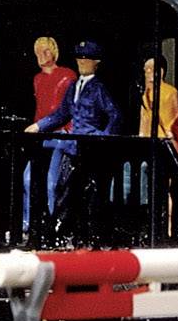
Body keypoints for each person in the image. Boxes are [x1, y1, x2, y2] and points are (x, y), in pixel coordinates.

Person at [24, 40, 121, 224]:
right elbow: (62, 113)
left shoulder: (98, 88)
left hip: (89, 146)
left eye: (87, 59)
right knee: (63, 186)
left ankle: (86, 231)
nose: (82, 63)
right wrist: (40, 126)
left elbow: (114, 114)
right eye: (80, 59)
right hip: (73, 147)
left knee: (89, 191)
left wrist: (104, 137)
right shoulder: (74, 86)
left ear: (96, 62)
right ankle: (61, 229)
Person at [21, 36, 75, 228]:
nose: (42, 55)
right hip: (42, 136)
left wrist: (41, 125)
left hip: (60, 134)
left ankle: (52, 226)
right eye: (38, 51)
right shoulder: (38, 79)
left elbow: (64, 111)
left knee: (52, 183)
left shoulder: (67, 76)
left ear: (54, 52)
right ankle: (26, 225)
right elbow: (40, 107)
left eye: (46, 50)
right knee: (27, 180)